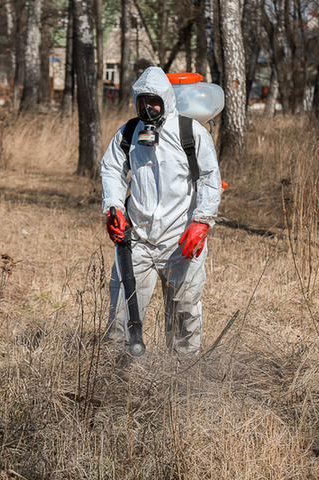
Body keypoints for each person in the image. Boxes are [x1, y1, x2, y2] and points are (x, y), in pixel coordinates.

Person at [100, 66, 222, 355]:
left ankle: (181, 378)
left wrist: (202, 221)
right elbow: (112, 170)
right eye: (142, 101)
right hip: (138, 240)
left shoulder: (190, 132)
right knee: (122, 314)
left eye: (154, 101)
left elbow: (209, 178)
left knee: (185, 314)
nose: (148, 108)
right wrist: (114, 207)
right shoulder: (129, 133)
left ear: (167, 99)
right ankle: (119, 378)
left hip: (182, 240)